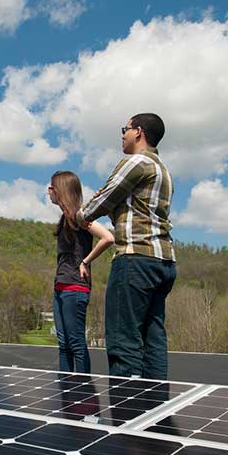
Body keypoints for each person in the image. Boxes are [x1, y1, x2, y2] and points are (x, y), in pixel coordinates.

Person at [78, 113, 176, 379]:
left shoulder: (135, 163)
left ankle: (126, 414)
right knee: (153, 339)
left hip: (135, 260)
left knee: (124, 342)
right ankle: (155, 410)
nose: (122, 134)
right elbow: (134, 212)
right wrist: (113, 207)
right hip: (163, 262)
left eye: (126, 128)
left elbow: (93, 210)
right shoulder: (163, 171)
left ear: (139, 132)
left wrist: (85, 210)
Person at [48, 171, 114, 373]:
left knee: (75, 343)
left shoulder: (80, 215)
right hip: (60, 287)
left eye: (52, 186)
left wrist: (85, 261)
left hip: (75, 288)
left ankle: (82, 394)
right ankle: (66, 390)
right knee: (63, 344)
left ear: (61, 190)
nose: (49, 190)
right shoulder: (66, 218)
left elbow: (108, 238)